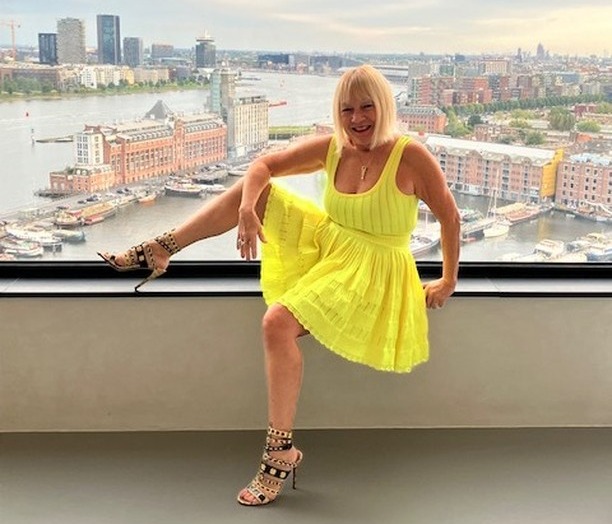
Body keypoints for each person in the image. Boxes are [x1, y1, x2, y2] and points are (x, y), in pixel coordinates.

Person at [98, 64, 461, 506]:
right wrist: (249, 207)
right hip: (330, 242)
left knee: (276, 324)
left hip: (374, 268)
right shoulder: (334, 148)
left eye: (367, 107)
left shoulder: (411, 155)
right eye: (347, 109)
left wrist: (447, 280)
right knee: (258, 191)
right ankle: (163, 246)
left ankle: (279, 451)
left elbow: (450, 217)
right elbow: (263, 164)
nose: (357, 118)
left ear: (384, 106)